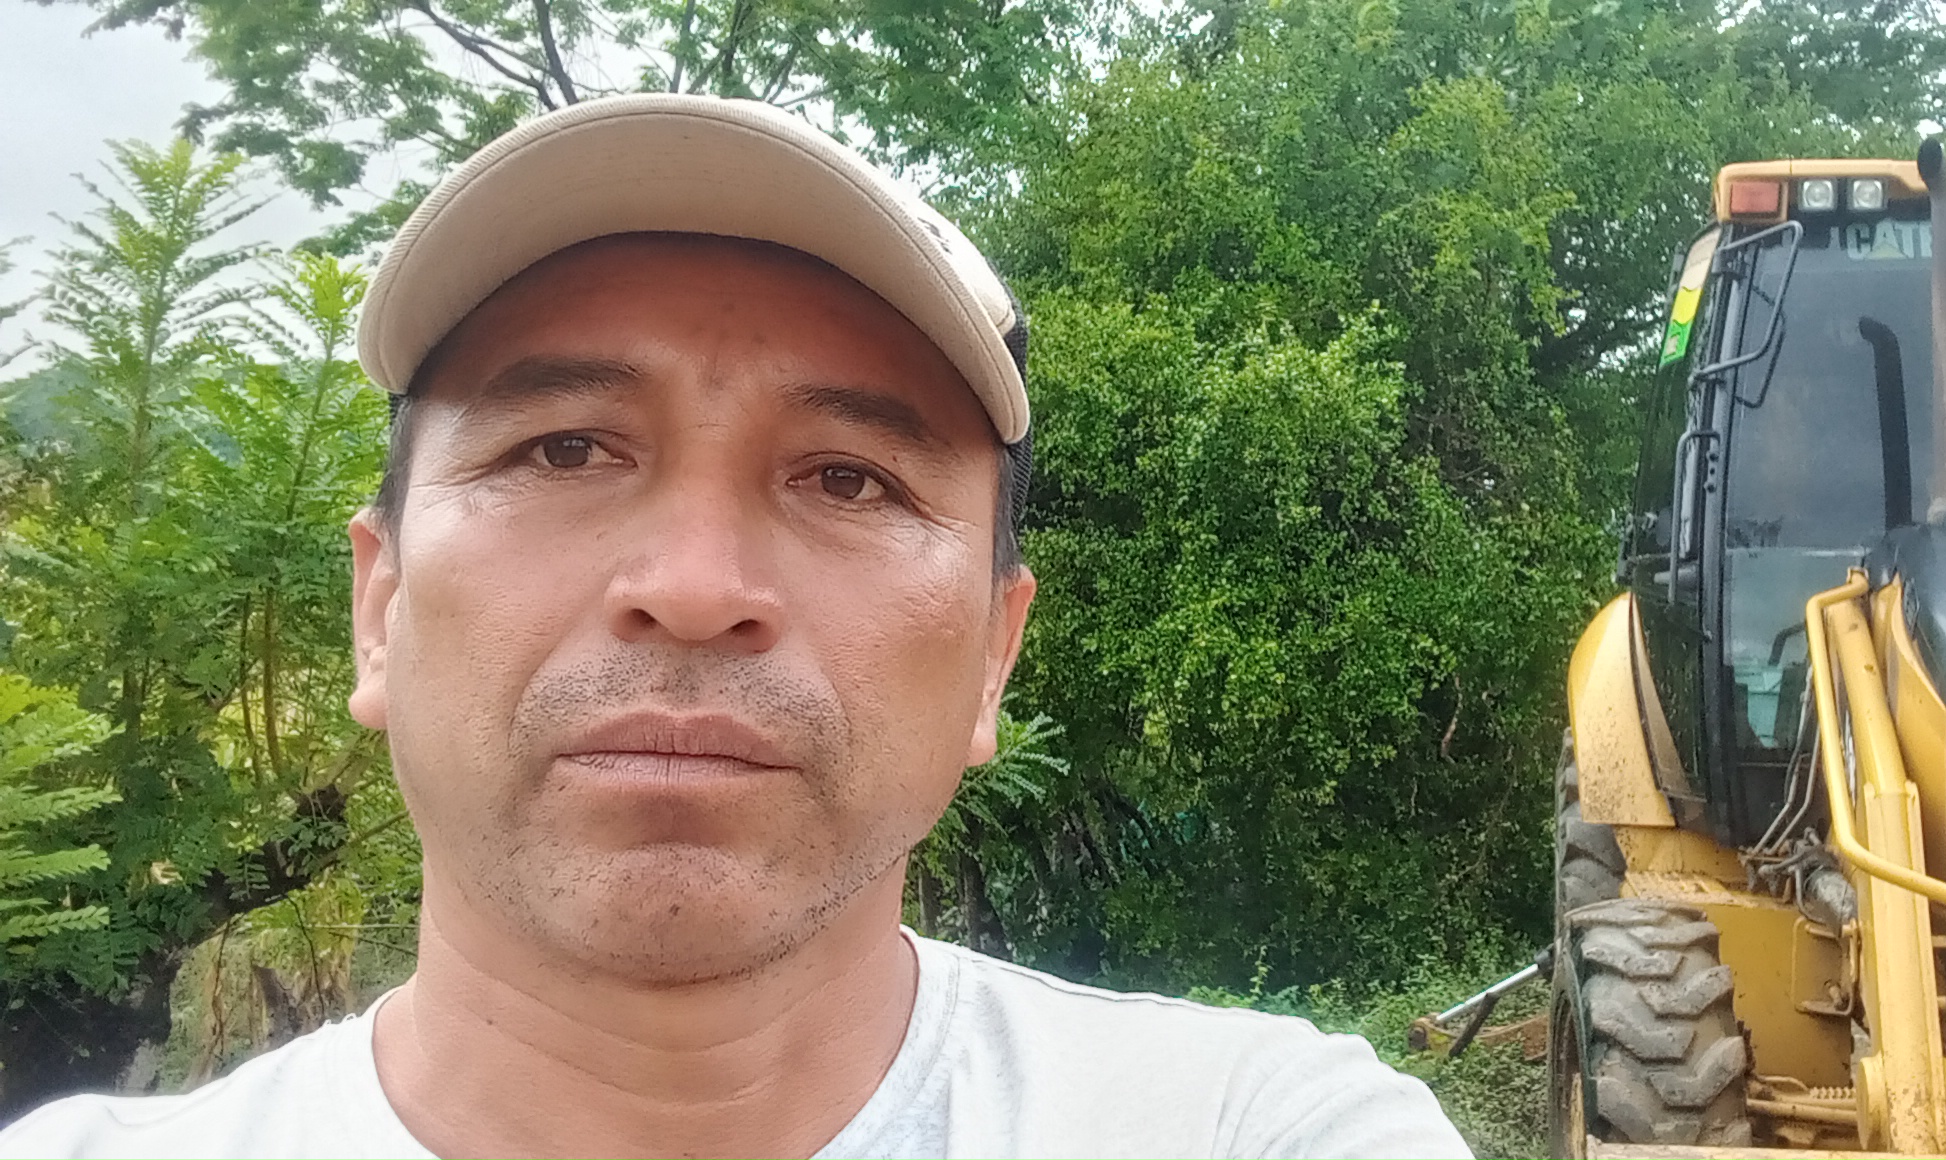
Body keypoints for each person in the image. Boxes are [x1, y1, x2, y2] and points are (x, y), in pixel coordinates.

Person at [0, 93, 1473, 1160]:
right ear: (378, 607)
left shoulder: (1247, 1131)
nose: (695, 587)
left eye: (849, 478)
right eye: (563, 448)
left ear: (992, 658)